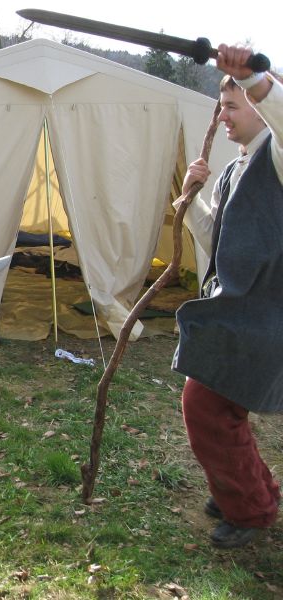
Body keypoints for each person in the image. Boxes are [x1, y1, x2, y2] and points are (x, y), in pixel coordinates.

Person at [173, 44, 283, 548]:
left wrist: (256, 79)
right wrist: (190, 202)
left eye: (232, 105)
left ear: (261, 108)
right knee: (219, 408)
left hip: (266, 315)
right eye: (220, 107)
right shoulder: (237, 168)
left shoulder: (278, 159)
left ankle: (252, 508)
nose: (223, 115)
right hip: (235, 313)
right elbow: (217, 238)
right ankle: (246, 486)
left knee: (206, 406)